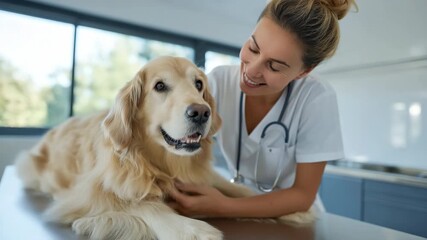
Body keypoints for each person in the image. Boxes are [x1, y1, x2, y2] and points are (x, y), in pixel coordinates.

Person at [169, 0, 357, 219]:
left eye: (274, 66)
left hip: (293, 219)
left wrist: (222, 206)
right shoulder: (218, 82)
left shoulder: (316, 98)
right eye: (253, 48)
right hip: (237, 205)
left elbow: (302, 195)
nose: (252, 70)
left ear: (303, 71)